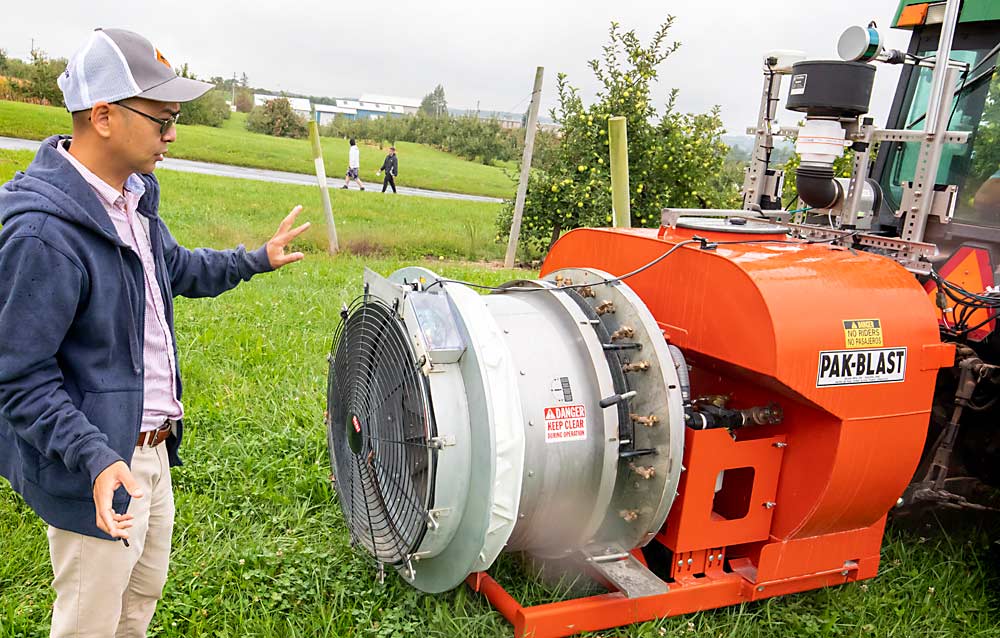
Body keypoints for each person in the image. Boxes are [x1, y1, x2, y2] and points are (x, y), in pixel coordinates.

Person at [0, 28, 310, 637]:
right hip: (99, 468)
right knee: (90, 622)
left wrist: (255, 259)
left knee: (137, 605)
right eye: (162, 120)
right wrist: (95, 459)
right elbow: (18, 378)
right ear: (105, 115)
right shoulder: (44, 234)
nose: (173, 135)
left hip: (152, 449)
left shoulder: (132, 200)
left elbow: (176, 268)